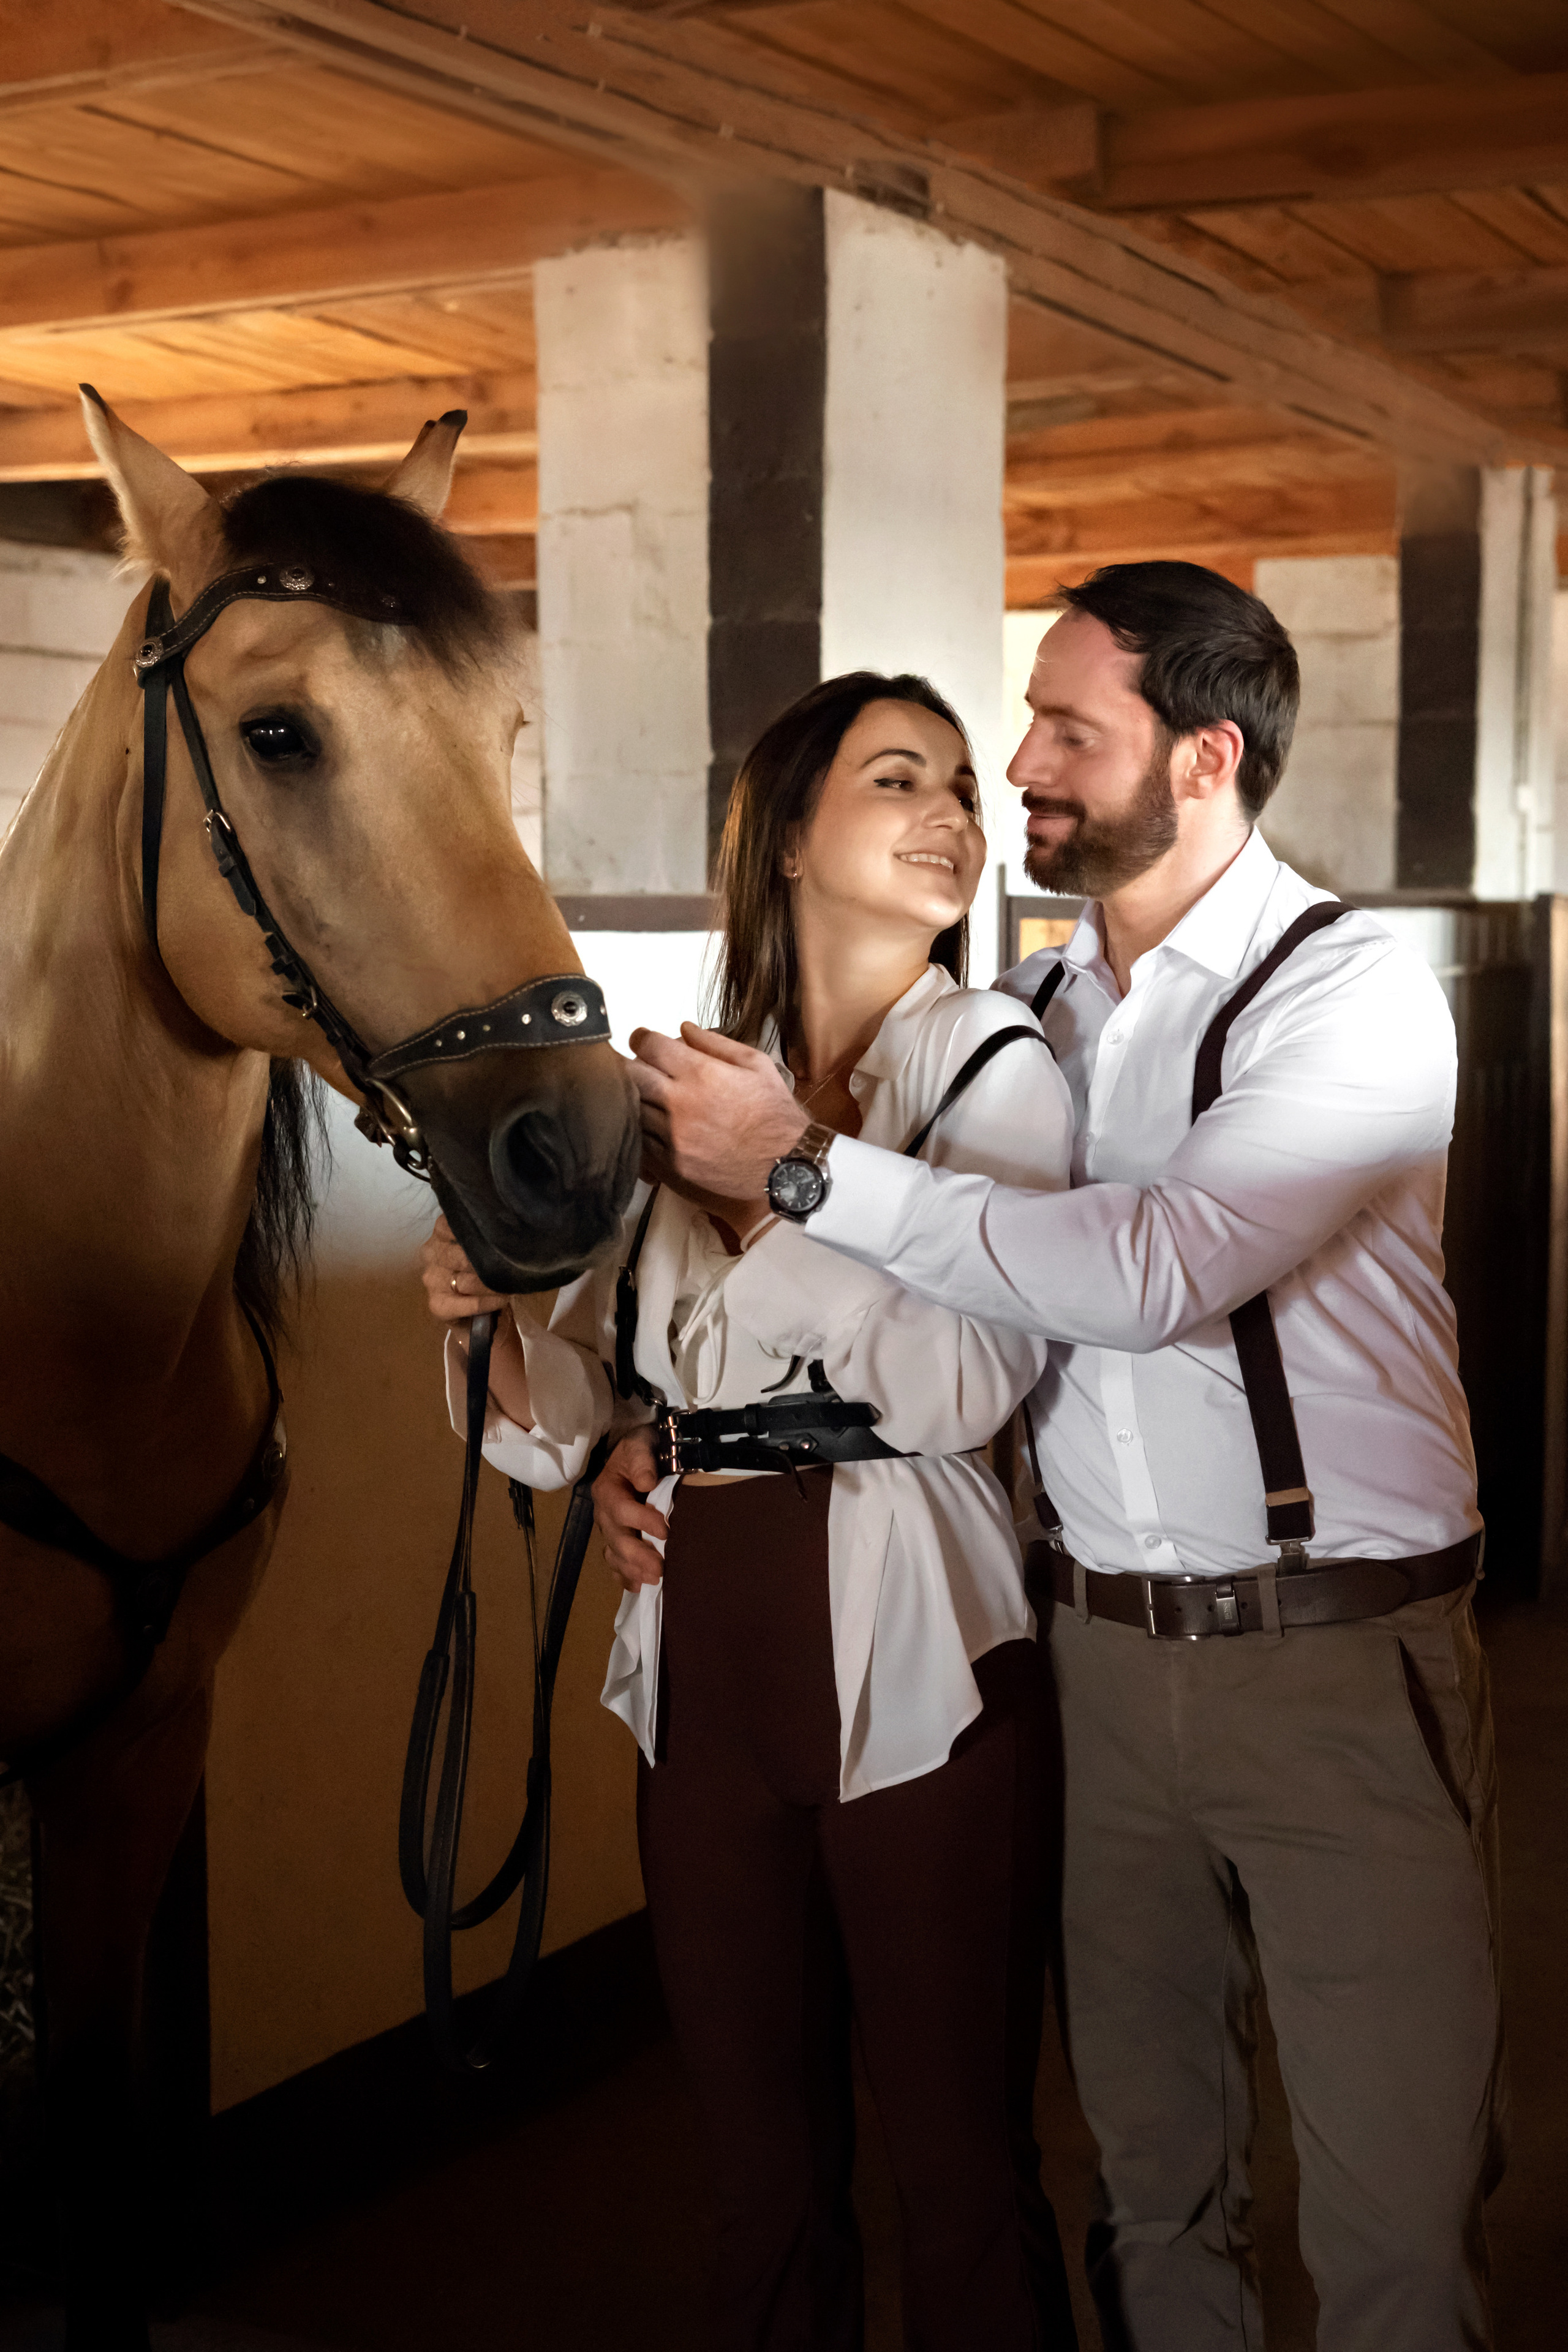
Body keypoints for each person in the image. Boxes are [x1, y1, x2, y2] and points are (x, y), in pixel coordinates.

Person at [621, 564, 1505, 2352]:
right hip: (1089, 1653)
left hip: (1333, 1656)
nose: (1014, 765)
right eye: (1005, 728)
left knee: (1394, 2211)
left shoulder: (1353, 998)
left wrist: (799, 1168)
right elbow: (945, 1352)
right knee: (1151, 2184)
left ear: (1204, 759)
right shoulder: (1040, 1016)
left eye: (1061, 731)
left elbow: (1154, 1272)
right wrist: (676, 1445)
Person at [423, 671, 1081, 2350]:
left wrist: (771, 1194)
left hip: (930, 1656)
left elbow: (965, 1387)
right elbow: (577, 1423)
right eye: (897, 779)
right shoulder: (675, 1087)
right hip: (701, 1662)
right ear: (789, 835)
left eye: (958, 785)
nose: (954, 811)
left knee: (959, 2165)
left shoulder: (994, 1067)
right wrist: (494, 1311)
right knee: (755, 2175)